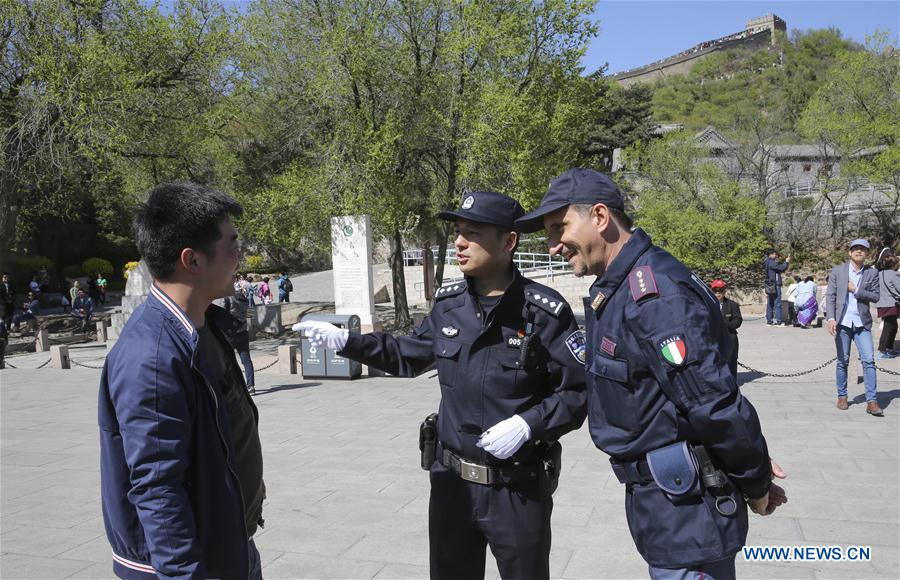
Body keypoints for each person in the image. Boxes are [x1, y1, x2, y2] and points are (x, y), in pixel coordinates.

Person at [296, 190, 587, 580]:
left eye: (473, 233)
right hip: (452, 485)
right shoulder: (448, 305)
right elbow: (407, 355)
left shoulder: (545, 312)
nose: (460, 242)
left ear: (509, 241)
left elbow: (576, 392)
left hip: (516, 490)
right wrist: (348, 342)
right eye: (458, 232)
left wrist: (529, 424)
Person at [516, 168, 786, 579]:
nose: (553, 246)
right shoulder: (621, 288)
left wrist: (756, 481)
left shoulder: (654, 295)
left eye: (560, 228)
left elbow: (712, 402)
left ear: (601, 217)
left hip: (689, 515)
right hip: (666, 508)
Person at [99, 182, 265, 578]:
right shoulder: (152, 358)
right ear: (192, 260)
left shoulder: (202, 326)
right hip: (189, 565)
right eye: (232, 245)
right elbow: (158, 490)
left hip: (228, 543)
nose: (239, 255)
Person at [826, 239, 881, 417]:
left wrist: (856, 290)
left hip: (862, 323)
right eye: (855, 249)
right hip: (842, 323)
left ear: (866, 254)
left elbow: (875, 296)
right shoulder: (838, 271)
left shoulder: (872, 273)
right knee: (843, 361)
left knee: (869, 361)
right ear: (850, 252)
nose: (859, 251)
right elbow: (831, 295)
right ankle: (842, 396)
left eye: (862, 249)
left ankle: (871, 401)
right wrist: (831, 318)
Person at [711, 279, 742, 378]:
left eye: (720, 291)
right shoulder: (708, 305)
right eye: (715, 291)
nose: (718, 293)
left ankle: (732, 381)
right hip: (714, 337)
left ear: (724, 291)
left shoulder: (732, 305)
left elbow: (737, 321)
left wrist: (724, 323)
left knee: (731, 360)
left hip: (729, 336)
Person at [874, 253, 900, 359]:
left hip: (882, 304)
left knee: (892, 326)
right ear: (893, 264)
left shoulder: (880, 274)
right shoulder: (894, 274)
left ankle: (888, 348)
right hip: (891, 304)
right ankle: (883, 350)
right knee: (889, 327)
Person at [763, 248, 790, 326]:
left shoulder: (766, 262)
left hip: (769, 285)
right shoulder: (771, 262)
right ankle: (779, 321)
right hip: (775, 285)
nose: (776, 255)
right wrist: (786, 262)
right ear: (770, 254)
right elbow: (781, 268)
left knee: (770, 303)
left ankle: (769, 321)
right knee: (777, 303)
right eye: (774, 254)